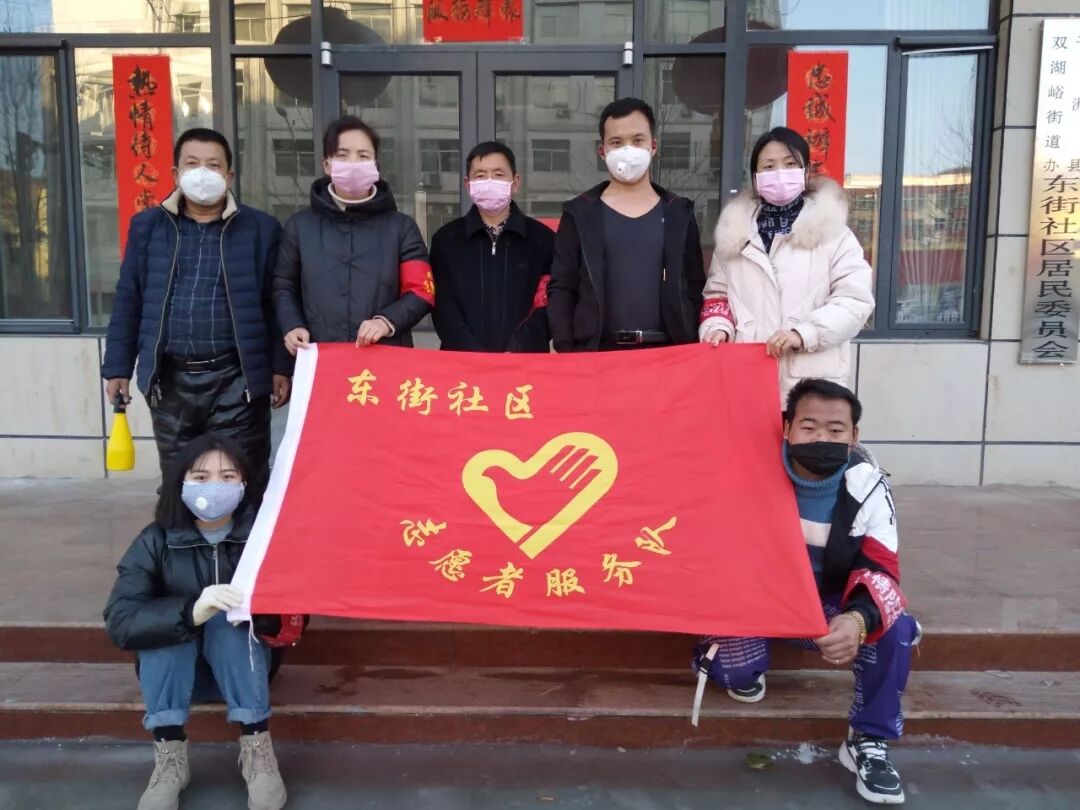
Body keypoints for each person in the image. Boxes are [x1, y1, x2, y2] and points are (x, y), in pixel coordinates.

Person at [693, 379, 919, 806]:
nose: (821, 439)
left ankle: (868, 740)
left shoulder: (868, 486)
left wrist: (858, 618)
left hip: (825, 605)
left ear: (854, 435)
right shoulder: (749, 469)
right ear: (787, 428)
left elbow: (883, 569)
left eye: (836, 430)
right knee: (738, 675)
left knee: (893, 626)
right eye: (809, 427)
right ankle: (736, 654)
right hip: (757, 601)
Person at [101, 128, 292, 495]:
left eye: (213, 165)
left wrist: (280, 367)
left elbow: (276, 303)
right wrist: (117, 367)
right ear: (176, 173)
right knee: (181, 484)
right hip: (170, 380)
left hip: (237, 380)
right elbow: (129, 299)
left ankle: (243, 536)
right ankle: (179, 534)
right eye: (192, 163)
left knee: (243, 481)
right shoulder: (147, 227)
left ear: (229, 176)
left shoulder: (261, 229)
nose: (202, 172)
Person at [104, 434, 287, 810]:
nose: (215, 487)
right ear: (181, 482)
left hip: (244, 670)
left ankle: (257, 747)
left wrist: (258, 611)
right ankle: (169, 755)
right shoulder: (155, 541)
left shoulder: (262, 539)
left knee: (227, 622)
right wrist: (190, 612)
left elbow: (290, 619)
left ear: (244, 483)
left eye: (228, 476)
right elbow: (121, 620)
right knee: (165, 630)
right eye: (201, 477)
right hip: (177, 678)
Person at [700, 126, 874, 404]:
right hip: (747, 383)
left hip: (812, 389)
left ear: (806, 172)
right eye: (768, 166)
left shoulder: (834, 234)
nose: (779, 173)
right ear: (755, 177)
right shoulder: (734, 236)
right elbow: (717, 295)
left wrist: (804, 334)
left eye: (790, 164)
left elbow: (855, 301)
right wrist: (717, 327)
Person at [547, 97, 705, 352]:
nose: (628, 150)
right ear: (602, 151)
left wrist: (689, 343)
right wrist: (567, 349)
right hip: (597, 356)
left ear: (653, 146)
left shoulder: (679, 213)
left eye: (638, 140)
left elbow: (694, 287)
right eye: (617, 142)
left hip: (667, 355)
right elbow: (562, 288)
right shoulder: (580, 214)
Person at [274, 115, 433, 354]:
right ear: (327, 164)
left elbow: (421, 290)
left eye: (363, 156)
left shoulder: (401, 228)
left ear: (376, 165)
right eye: (342, 155)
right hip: (319, 357)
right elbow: (283, 286)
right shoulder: (299, 226)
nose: (353, 163)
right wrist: (292, 325)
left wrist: (385, 322)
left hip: (385, 359)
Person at [430, 141, 553, 352]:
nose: (489, 182)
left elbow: (550, 304)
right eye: (480, 175)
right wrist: (473, 354)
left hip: (525, 361)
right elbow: (443, 307)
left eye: (498, 174)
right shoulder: (446, 240)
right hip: (462, 361)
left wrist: (518, 349)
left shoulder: (543, 239)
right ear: (468, 185)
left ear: (515, 183)